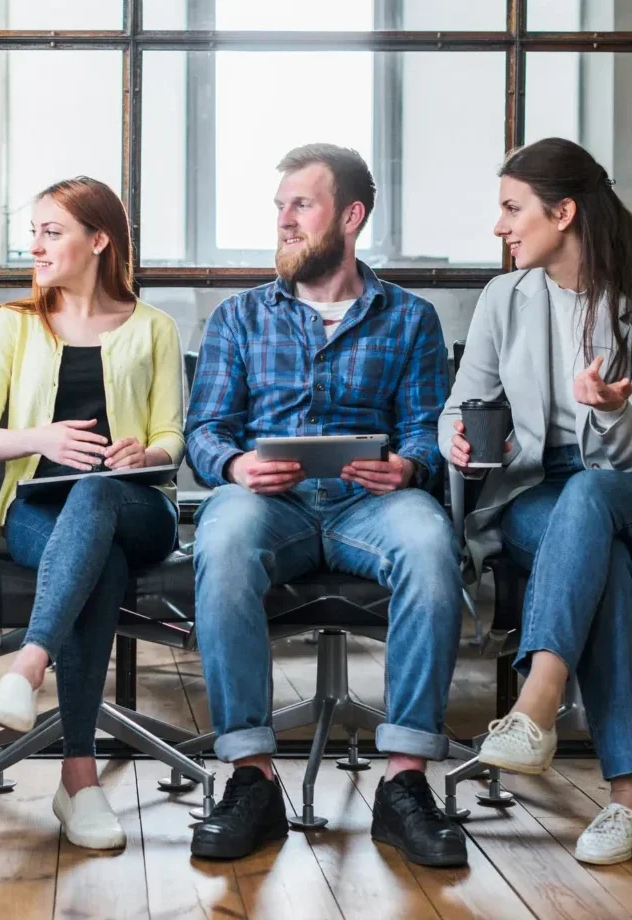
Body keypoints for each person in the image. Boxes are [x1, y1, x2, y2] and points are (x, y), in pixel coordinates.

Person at [441, 137, 632, 866]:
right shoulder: (504, 298)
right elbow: (461, 403)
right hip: (541, 488)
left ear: (563, 212)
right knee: (599, 550)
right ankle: (629, 799)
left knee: (596, 494)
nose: (500, 226)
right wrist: (458, 437)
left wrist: (608, 411)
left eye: (513, 209)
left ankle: (536, 701)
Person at [185, 144, 468, 867]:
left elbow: (425, 433)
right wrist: (237, 463)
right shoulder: (239, 317)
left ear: (351, 215)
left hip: (367, 507)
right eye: (279, 206)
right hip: (269, 505)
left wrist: (408, 464)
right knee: (222, 543)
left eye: (300, 206)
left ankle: (404, 786)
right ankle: (251, 780)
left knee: (431, 546)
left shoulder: (410, 318)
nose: (283, 220)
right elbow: (206, 432)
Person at [0, 176, 184, 850]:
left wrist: (144, 451)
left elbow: (175, 436)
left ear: (99, 240)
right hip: (35, 507)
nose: (36, 245)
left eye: (51, 232)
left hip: (137, 504)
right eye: (34, 232)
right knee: (97, 558)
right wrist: (41, 439)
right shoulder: (13, 325)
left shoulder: (155, 329)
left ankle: (29, 664)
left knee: (96, 492)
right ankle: (78, 782)